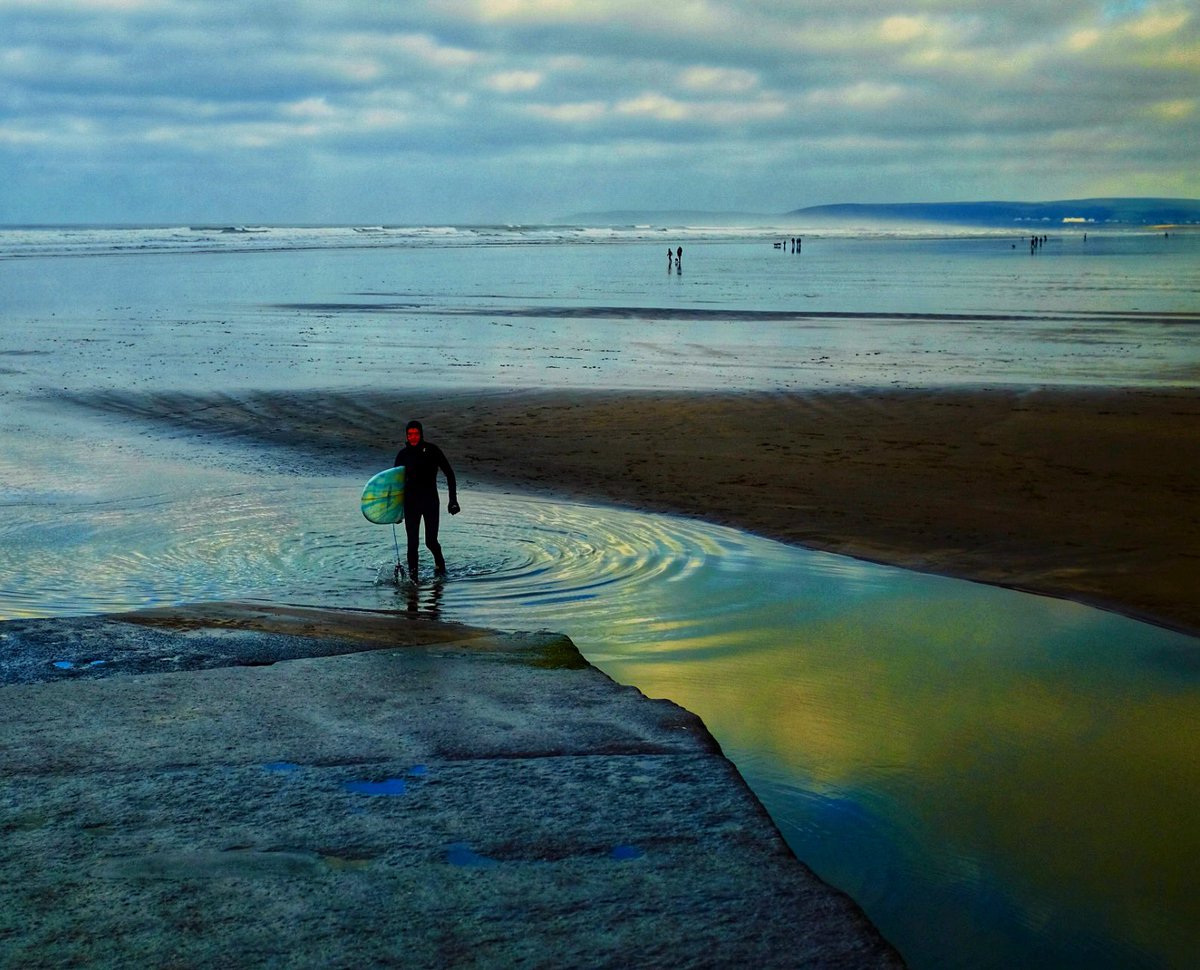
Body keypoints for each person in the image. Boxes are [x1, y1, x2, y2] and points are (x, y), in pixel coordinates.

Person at [393, 420, 459, 579]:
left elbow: (449, 474)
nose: (413, 437)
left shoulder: (432, 450)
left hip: (430, 502)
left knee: (431, 541)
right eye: (410, 434)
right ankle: (413, 579)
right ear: (406, 436)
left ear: (421, 434)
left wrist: (453, 500)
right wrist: (395, 512)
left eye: (416, 434)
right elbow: (395, 484)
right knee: (412, 544)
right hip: (411, 504)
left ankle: (440, 566)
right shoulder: (403, 455)